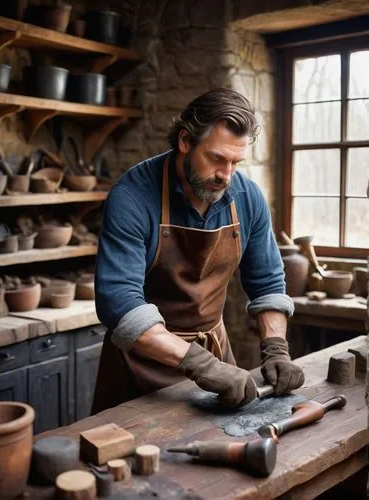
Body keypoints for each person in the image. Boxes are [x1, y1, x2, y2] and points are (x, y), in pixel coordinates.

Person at [92, 88, 304, 414]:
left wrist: (276, 348)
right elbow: (119, 304)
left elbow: (268, 282)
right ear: (185, 142)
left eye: (236, 162)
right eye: (217, 158)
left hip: (215, 356)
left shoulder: (248, 198)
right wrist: (199, 364)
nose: (226, 175)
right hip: (141, 366)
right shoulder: (132, 197)